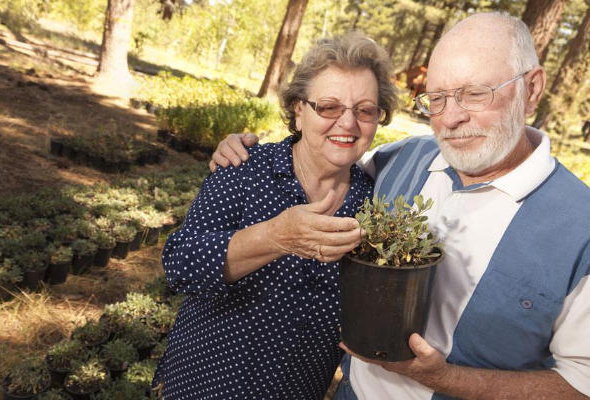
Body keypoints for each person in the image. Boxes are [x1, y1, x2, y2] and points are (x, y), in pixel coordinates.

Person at [209, 12, 590, 400]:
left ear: (533, 88)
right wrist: (248, 154)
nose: (452, 118)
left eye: (476, 93)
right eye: (437, 99)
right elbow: (330, 149)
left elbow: (583, 382)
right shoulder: (404, 159)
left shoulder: (580, 228)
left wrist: (447, 380)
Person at [153, 32, 399, 399]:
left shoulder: (374, 202)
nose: (347, 124)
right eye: (329, 107)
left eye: (364, 110)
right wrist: (275, 237)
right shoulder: (245, 167)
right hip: (203, 385)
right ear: (299, 110)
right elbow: (180, 265)